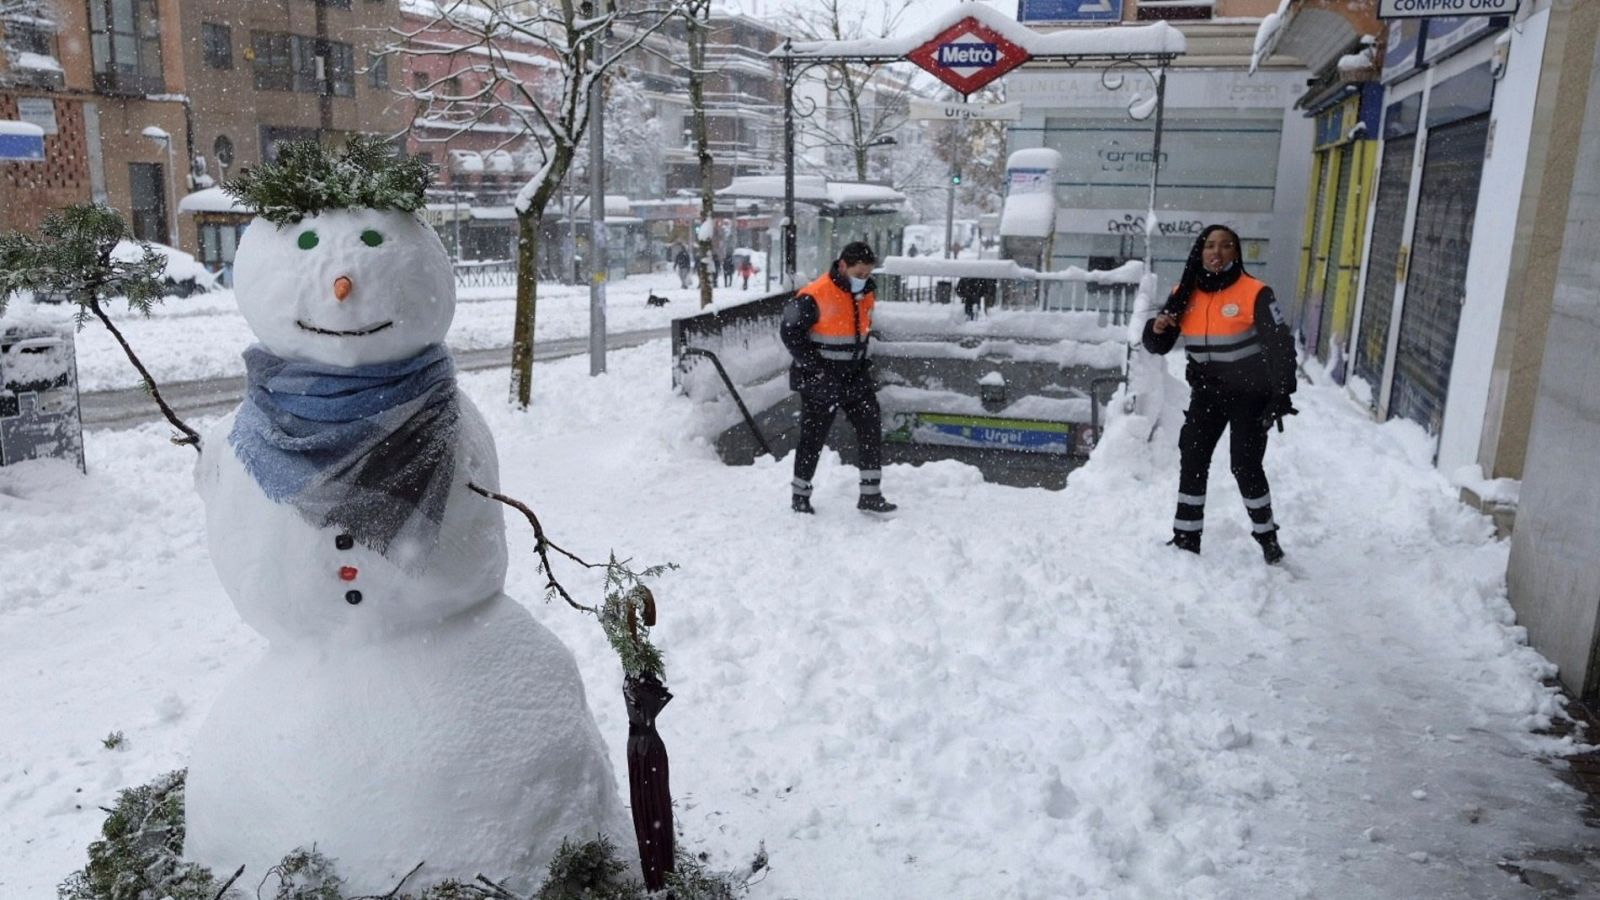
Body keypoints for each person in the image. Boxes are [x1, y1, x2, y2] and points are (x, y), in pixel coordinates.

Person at [1141, 225, 1297, 564]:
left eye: (1226, 246)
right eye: (1210, 245)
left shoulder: (1255, 292)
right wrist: (1155, 328)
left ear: (1235, 253)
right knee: (1193, 458)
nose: (1217, 252)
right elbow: (1159, 343)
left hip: (1250, 394)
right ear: (1200, 251)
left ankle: (1267, 537)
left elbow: (1281, 345)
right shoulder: (1184, 292)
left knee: (1244, 465)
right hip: (1207, 393)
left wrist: (1282, 393)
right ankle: (1186, 537)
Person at [781, 241, 896, 515]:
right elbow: (790, 334)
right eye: (859, 274)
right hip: (821, 380)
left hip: (855, 377)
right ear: (843, 265)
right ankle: (800, 496)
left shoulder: (866, 292)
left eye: (868, 273)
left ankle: (870, 495)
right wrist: (818, 369)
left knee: (870, 427)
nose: (864, 279)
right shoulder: (815, 294)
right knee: (812, 438)